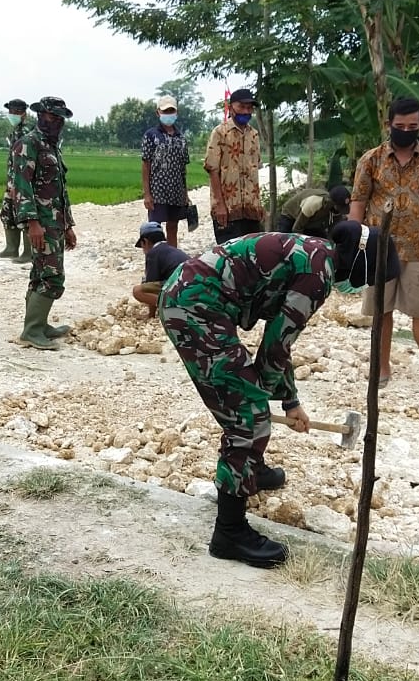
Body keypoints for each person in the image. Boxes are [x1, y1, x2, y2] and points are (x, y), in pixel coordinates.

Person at [159, 221, 392, 568]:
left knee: (250, 403)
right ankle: (229, 531)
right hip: (194, 306)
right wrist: (264, 401)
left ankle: (251, 466)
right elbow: (276, 345)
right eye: (373, 276)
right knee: (247, 418)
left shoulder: (316, 256)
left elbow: (278, 338)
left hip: (195, 297)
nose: (366, 284)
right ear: (362, 261)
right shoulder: (318, 273)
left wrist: (290, 400)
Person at [349, 96, 419, 398]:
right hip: (378, 247)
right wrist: (356, 245)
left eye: (412, 126)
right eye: (400, 126)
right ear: (389, 125)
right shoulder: (371, 160)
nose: (406, 131)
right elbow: (358, 202)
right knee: (381, 311)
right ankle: (381, 368)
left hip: (418, 247)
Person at [10, 96, 77, 350]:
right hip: (40, 222)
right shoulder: (28, 145)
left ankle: (39, 324)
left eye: (60, 118)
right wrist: (32, 223)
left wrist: (68, 225)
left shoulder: (51, 146)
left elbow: (59, 190)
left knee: (40, 273)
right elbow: (21, 187)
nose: (57, 122)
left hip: (55, 222)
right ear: (41, 115)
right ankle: (32, 330)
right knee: (52, 276)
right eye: (52, 116)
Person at [204, 88, 263, 244]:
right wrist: (219, 205)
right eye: (242, 107)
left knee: (252, 256)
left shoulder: (254, 135)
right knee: (229, 257)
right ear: (231, 108)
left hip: (251, 210)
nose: (246, 111)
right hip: (228, 208)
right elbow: (212, 169)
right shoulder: (220, 133)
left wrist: (259, 206)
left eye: (249, 108)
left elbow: (255, 170)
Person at [142, 95, 191, 247]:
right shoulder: (151, 135)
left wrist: (185, 194)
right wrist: (147, 193)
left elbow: (183, 168)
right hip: (157, 190)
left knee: (173, 226)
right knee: (154, 229)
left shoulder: (181, 137)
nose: (168, 114)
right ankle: (153, 262)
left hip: (176, 190)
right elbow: (146, 165)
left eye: (171, 111)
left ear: (176, 113)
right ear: (158, 113)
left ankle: (172, 262)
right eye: (165, 111)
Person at [0, 98, 34, 262]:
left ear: (23, 113)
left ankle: (28, 253)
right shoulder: (15, 131)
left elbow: (25, 161)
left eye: (15, 112)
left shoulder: (28, 132)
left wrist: (19, 183)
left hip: (23, 182)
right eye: (10, 112)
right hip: (12, 180)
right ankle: (11, 249)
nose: (12, 115)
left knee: (24, 215)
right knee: (7, 213)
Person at [131, 221, 190, 319]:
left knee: (137, 291)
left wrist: (151, 314)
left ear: (145, 241)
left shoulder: (153, 253)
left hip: (180, 287)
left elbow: (151, 282)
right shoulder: (170, 249)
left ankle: (174, 307)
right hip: (192, 285)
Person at [275, 185, 351, 238]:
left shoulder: (336, 210)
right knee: (284, 242)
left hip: (309, 222)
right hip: (291, 215)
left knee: (322, 240)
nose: (340, 211)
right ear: (332, 202)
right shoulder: (315, 202)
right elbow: (297, 229)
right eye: (339, 207)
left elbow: (332, 232)